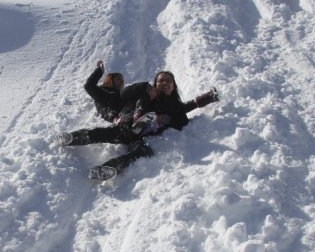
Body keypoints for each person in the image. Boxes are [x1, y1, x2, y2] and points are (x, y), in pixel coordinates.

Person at [56, 70, 219, 180]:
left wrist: (208, 98)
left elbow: (186, 108)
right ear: (155, 84)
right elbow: (124, 94)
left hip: (141, 134)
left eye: (168, 81)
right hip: (129, 124)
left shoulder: (174, 106)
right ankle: (71, 138)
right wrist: (146, 88)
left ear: (174, 85)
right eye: (160, 81)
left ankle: (108, 168)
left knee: (144, 152)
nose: (164, 83)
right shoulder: (147, 92)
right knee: (103, 133)